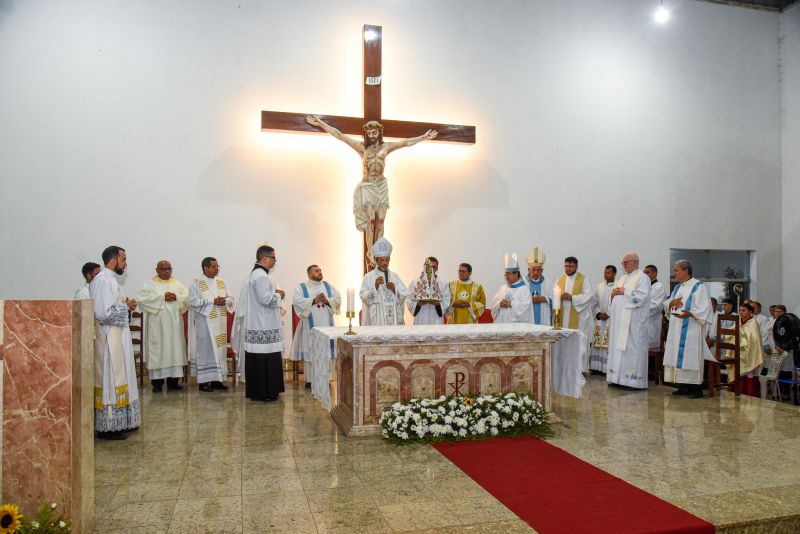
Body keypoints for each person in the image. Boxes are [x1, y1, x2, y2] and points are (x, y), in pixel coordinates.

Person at [306, 115, 437, 267]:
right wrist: (321, 123)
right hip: (368, 186)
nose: (372, 135)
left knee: (381, 222)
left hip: (381, 186)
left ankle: (378, 253)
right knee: (371, 221)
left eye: (374, 132)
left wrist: (425, 136)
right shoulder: (362, 147)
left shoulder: (386, 147)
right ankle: (370, 252)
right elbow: (340, 136)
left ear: (379, 133)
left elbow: (406, 142)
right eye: (369, 133)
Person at [90, 246, 140, 440]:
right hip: (110, 341)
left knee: (122, 378)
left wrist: (127, 305)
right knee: (111, 380)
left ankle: (122, 421)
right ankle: (109, 426)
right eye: (124, 259)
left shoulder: (112, 281)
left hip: (119, 338)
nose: (125, 263)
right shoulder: (102, 281)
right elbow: (103, 313)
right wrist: (125, 307)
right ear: (113, 260)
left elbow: (113, 307)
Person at [237, 245, 286, 402]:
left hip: (258, 323)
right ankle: (267, 392)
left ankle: (259, 391)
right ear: (265, 258)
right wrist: (279, 294)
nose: (274, 261)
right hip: (264, 324)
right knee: (267, 358)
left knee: (258, 359)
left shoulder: (255, 274)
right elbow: (266, 299)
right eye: (273, 258)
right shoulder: (261, 276)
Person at [662, 260, 715, 399]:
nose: (674, 274)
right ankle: (683, 386)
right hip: (676, 327)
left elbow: (704, 308)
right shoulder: (677, 287)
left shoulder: (698, 286)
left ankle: (695, 388)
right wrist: (671, 303)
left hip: (691, 328)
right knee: (677, 356)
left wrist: (690, 313)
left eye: (676, 271)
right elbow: (668, 303)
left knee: (690, 357)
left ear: (686, 271)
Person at [136, 260, 189, 393]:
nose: (166, 271)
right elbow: (142, 299)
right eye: (163, 269)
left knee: (174, 350)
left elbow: (187, 298)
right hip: (157, 326)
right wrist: (162, 297)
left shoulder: (178, 284)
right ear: (157, 270)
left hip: (174, 326)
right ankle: (157, 383)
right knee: (158, 351)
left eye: (169, 269)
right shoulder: (150, 285)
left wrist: (176, 296)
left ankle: (173, 382)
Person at [290, 264, 341, 389]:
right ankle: (311, 380)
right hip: (309, 326)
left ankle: (326, 378)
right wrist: (313, 300)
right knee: (311, 349)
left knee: (325, 351)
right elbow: (297, 301)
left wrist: (327, 300)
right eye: (316, 271)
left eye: (320, 270)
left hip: (326, 325)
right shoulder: (302, 287)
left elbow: (338, 299)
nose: (319, 272)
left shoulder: (328, 286)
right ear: (309, 274)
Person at [606, 253, 651, 390]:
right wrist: (613, 294)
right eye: (623, 263)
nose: (624, 265)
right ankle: (617, 378)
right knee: (618, 349)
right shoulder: (622, 278)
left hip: (634, 322)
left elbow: (642, 297)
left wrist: (624, 291)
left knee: (632, 350)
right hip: (619, 321)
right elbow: (614, 296)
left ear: (636, 263)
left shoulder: (643, 278)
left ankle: (633, 382)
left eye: (627, 262)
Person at [188, 257, 234, 392]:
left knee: (219, 352)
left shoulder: (221, 282)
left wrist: (224, 300)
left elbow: (231, 298)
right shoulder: (197, 283)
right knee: (206, 352)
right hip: (205, 325)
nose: (217, 269)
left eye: (217, 266)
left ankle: (217, 380)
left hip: (219, 323)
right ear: (205, 268)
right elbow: (193, 302)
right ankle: (204, 382)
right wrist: (212, 301)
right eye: (214, 267)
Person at [555, 257, 594, 372]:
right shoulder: (559, 280)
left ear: (576, 267)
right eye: (566, 266)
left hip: (578, 318)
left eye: (571, 266)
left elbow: (588, 296)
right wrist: (559, 297)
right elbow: (554, 296)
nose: (568, 268)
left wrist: (572, 297)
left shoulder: (583, 279)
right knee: (563, 342)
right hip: (562, 317)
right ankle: (563, 367)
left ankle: (579, 369)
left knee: (578, 343)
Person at [359, 237, 407, 325]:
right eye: (382, 260)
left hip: (393, 318)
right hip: (377, 319)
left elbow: (404, 293)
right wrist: (375, 287)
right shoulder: (368, 277)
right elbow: (363, 295)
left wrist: (394, 290)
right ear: (376, 261)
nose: (385, 263)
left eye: (387, 260)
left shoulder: (394, 276)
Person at [730, 302, 764, 397]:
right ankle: (737, 392)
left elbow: (754, 340)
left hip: (749, 352)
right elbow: (731, 332)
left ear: (750, 312)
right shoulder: (739, 321)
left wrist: (739, 333)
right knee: (737, 371)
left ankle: (750, 394)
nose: (741, 312)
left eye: (743, 310)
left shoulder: (753, 323)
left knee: (749, 373)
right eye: (740, 310)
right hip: (738, 352)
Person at [407, 257, 451, 325]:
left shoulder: (443, 282)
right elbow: (409, 298)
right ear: (425, 267)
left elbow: (447, 299)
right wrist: (418, 304)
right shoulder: (416, 282)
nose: (432, 269)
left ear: (437, 268)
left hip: (436, 317)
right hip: (421, 316)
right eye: (429, 267)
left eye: (434, 267)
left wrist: (438, 304)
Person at [490, 253, 533, 323]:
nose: (507, 277)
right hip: (501, 325)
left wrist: (511, 304)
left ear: (516, 274)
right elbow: (493, 304)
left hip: (517, 327)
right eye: (505, 274)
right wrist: (499, 304)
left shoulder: (524, 290)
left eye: (509, 274)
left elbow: (526, 308)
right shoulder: (502, 288)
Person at [590, 265, 616, 374]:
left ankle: (606, 368)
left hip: (611, 320)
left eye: (609, 273)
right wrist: (598, 313)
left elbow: (617, 303)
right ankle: (596, 368)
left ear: (614, 274)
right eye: (605, 273)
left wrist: (609, 314)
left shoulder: (618, 286)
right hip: (600, 320)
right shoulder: (599, 286)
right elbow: (594, 302)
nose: (606, 275)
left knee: (609, 343)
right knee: (597, 343)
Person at [525, 247, 553, 326]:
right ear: (528, 270)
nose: (536, 272)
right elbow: (517, 302)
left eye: (538, 270)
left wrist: (545, 299)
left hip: (543, 321)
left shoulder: (548, 283)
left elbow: (555, 299)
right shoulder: (522, 283)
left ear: (542, 270)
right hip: (527, 322)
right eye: (533, 269)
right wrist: (529, 300)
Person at [643, 264, 667, 348]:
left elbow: (655, 306)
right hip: (642, 322)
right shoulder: (643, 286)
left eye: (647, 272)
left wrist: (639, 310)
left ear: (655, 274)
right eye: (644, 272)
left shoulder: (659, 287)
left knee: (651, 352)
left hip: (652, 322)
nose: (645, 275)